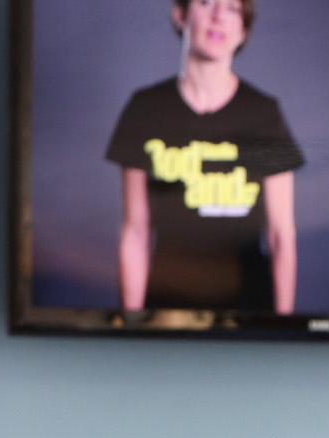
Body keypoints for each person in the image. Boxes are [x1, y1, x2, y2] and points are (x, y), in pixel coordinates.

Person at [104, 0, 302, 314]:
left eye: (232, 8)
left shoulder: (264, 114)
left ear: (243, 31)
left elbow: (281, 237)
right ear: (180, 15)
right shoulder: (146, 109)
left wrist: (282, 328)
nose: (218, 16)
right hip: (167, 313)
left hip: (249, 315)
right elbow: (135, 232)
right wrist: (132, 324)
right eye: (206, 2)